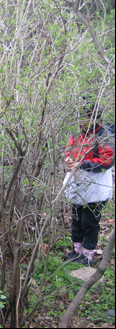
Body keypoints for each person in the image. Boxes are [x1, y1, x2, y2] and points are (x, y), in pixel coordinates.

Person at [64, 99, 114, 266]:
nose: (82, 122)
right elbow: (69, 149)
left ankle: (88, 253)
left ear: (94, 118)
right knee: (77, 218)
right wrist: (69, 159)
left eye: (85, 118)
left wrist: (83, 164)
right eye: (80, 118)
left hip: (96, 188)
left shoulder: (104, 134)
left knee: (90, 221)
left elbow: (107, 161)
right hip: (79, 186)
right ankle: (77, 250)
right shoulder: (79, 134)